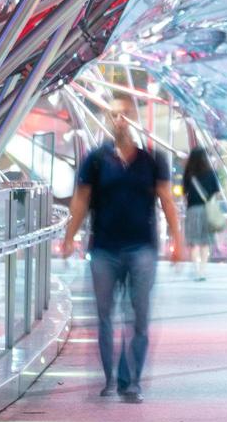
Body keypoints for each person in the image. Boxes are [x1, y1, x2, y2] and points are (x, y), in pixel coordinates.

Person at [61, 93, 185, 403]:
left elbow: (167, 200)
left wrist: (177, 240)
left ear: (134, 119)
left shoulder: (151, 160)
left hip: (142, 248)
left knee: (139, 318)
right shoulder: (95, 160)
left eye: (125, 114)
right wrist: (69, 237)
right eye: (114, 115)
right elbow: (81, 201)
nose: (119, 120)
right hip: (104, 249)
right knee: (104, 318)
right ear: (107, 120)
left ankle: (132, 381)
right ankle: (110, 379)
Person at [182, 146, 221, 281]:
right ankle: (203, 271)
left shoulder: (188, 173)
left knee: (194, 242)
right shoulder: (211, 173)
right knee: (205, 242)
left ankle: (196, 270)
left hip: (193, 209)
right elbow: (216, 192)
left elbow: (184, 193)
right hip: (207, 210)